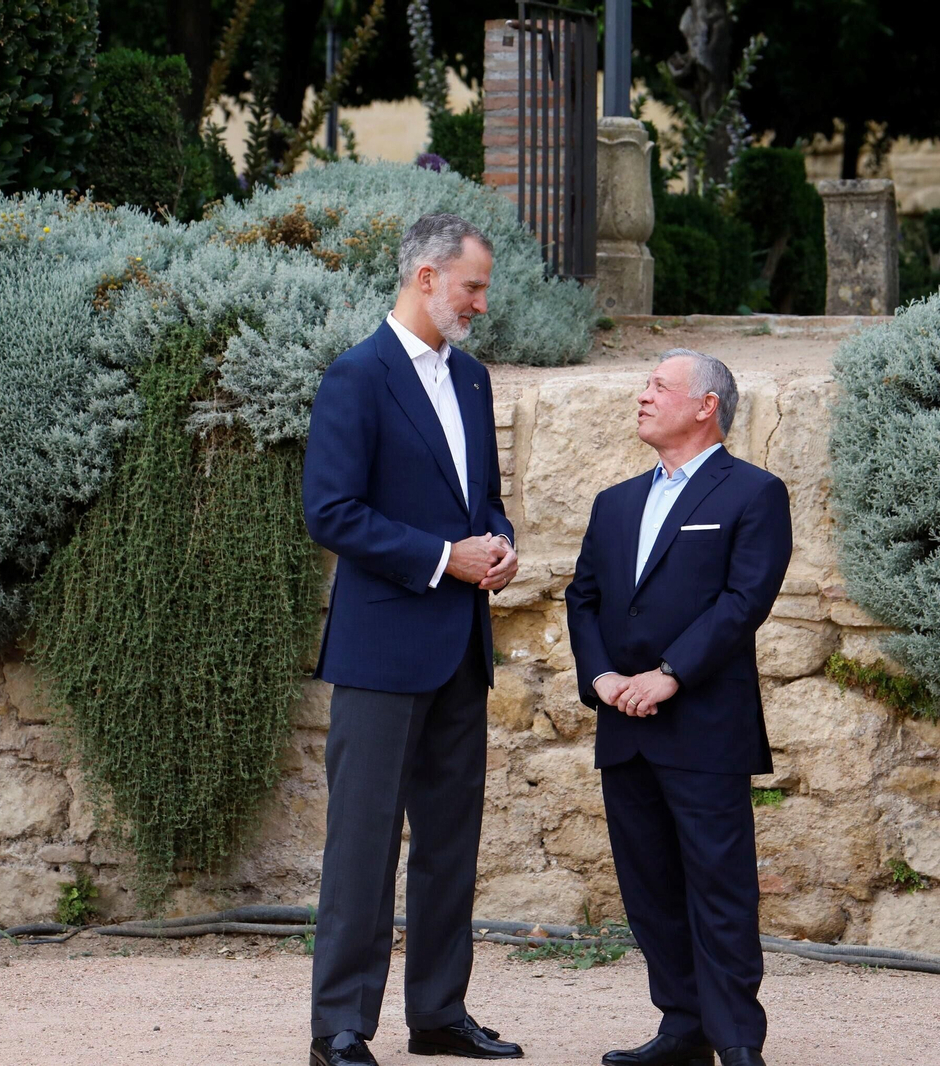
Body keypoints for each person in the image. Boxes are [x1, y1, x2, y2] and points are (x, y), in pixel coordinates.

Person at [301, 213, 524, 1066]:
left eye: (483, 289)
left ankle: (437, 1014)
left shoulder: (471, 380)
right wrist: (442, 558)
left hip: (462, 648)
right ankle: (341, 1029)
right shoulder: (356, 377)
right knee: (361, 848)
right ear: (426, 277)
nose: (480, 302)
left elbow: (481, 500)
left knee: (449, 847)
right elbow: (331, 512)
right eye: (472, 286)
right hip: (382, 653)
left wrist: (496, 544)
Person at [565, 350, 792, 1066]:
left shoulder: (754, 493)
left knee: (719, 889)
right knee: (650, 888)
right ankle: (683, 1025)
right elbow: (584, 598)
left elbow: (743, 601)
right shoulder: (615, 502)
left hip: (704, 726)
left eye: (659, 386)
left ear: (706, 406)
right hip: (622, 725)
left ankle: (736, 1040)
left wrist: (670, 674)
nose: (641, 396)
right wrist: (601, 677)